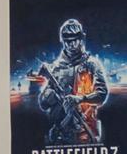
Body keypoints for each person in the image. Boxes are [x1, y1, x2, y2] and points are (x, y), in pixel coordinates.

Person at [34, 17, 109, 145]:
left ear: (81, 39)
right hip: (60, 134)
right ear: (63, 41)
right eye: (68, 41)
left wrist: (80, 99)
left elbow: (102, 94)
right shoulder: (56, 68)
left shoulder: (92, 64)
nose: (71, 44)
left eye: (75, 40)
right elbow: (43, 104)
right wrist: (50, 96)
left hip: (85, 130)